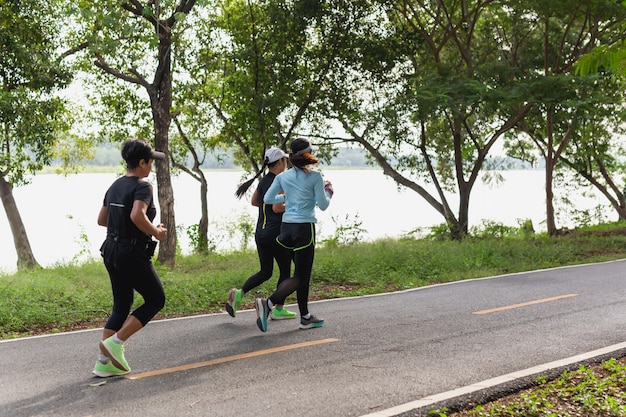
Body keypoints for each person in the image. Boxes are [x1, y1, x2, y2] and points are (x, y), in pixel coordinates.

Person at [92, 139, 168, 378]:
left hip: (111, 250)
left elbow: (102, 220)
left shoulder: (115, 186)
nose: (152, 167)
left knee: (122, 304)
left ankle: (104, 362)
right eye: (150, 162)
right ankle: (116, 342)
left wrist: (128, 226)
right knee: (156, 299)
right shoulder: (143, 186)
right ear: (142, 162)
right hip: (130, 252)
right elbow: (137, 214)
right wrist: (156, 231)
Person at [255, 137, 333, 332]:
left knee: (301, 274)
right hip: (304, 229)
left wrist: (288, 197)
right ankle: (269, 303)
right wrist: (328, 190)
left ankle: (305, 316)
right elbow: (323, 205)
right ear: (308, 155)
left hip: (286, 229)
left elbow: (268, 198)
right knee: (300, 275)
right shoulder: (315, 177)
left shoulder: (283, 177)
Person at [226, 147, 297, 320]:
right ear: (280, 162)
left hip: (261, 233)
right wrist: (294, 205)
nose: (286, 163)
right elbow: (277, 207)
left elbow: (254, 201)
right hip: (275, 234)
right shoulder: (279, 180)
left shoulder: (263, 180)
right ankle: (278, 309)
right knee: (286, 271)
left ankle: (240, 293)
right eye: (284, 160)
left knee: (266, 271)